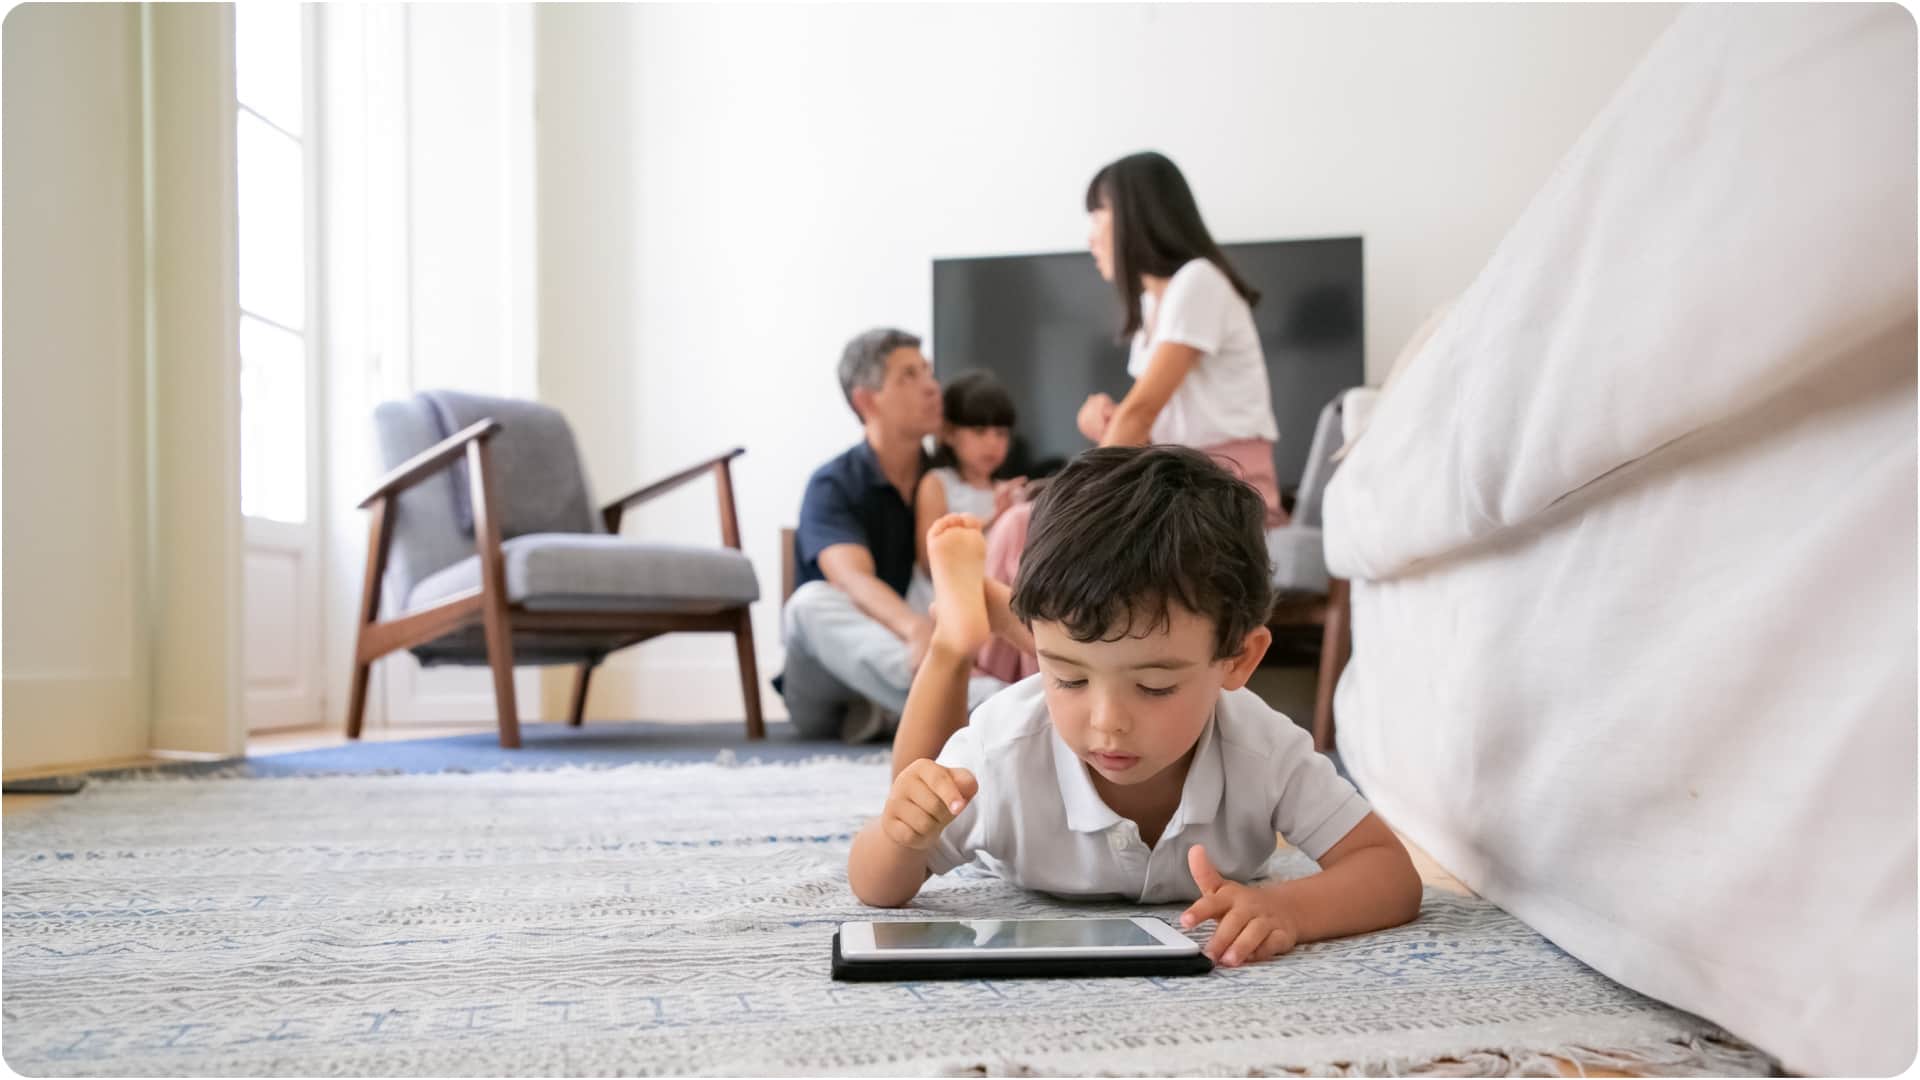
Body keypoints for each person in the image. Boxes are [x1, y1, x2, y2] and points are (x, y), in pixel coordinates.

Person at [847, 446, 1421, 966]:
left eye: (1153, 687)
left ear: (1238, 661)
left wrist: (1293, 910)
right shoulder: (1002, 749)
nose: (1106, 722)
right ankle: (957, 636)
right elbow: (879, 884)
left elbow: (1389, 873)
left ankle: (1001, 612)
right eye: (1067, 678)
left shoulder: (1262, 748)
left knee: (1099, 651)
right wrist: (902, 837)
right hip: (1005, 715)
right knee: (917, 786)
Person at [779, 329, 1012, 742]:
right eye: (909, 375)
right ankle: (987, 704)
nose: (931, 386)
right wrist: (916, 630)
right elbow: (851, 580)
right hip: (832, 681)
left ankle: (895, 711)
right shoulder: (835, 483)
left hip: (913, 666)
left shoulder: (944, 482)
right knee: (808, 604)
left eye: (928, 372)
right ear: (866, 400)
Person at [913, 371, 1027, 575]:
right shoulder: (937, 483)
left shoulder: (1007, 493)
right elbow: (928, 562)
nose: (992, 443)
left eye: (1001, 434)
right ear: (948, 434)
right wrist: (994, 520)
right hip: (940, 601)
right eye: (979, 431)